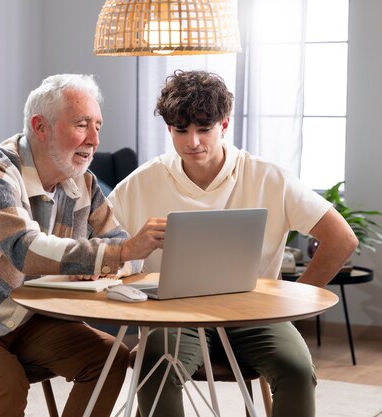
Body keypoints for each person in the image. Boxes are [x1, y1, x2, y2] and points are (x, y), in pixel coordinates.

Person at [0, 74, 166, 417]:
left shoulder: (83, 182)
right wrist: (115, 256)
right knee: (5, 381)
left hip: (24, 318)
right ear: (40, 127)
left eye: (98, 125)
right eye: (82, 125)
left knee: (110, 358)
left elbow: (120, 244)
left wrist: (106, 260)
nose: (94, 139)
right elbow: (24, 249)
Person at [107, 70, 358, 417]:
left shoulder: (268, 176)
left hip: (256, 312)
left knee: (297, 371)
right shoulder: (140, 183)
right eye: (181, 131)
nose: (193, 141)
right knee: (156, 371)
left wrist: (296, 299)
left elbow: (342, 238)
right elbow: (98, 247)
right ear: (170, 130)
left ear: (223, 126)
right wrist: (130, 252)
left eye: (204, 129)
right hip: (175, 316)